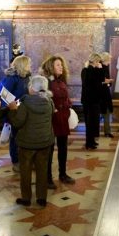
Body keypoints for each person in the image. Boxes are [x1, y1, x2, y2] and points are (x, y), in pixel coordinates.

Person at [8, 75, 55, 207]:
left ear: (33, 88)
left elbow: (17, 122)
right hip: (44, 141)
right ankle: (41, 198)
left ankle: (26, 198)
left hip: (27, 143)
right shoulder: (49, 101)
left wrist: (12, 110)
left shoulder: (26, 103)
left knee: (26, 171)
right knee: (42, 170)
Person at [41, 55, 75, 186]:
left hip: (62, 117)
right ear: (51, 67)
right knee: (49, 149)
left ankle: (63, 174)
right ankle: (47, 178)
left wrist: (68, 104)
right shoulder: (46, 82)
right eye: (58, 65)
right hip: (52, 118)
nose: (61, 67)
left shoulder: (61, 80)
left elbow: (65, 97)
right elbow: (44, 99)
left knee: (63, 147)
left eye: (61, 65)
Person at [0, 55, 32, 172]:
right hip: (15, 112)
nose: (30, 66)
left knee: (25, 136)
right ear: (22, 65)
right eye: (28, 64)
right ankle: (16, 161)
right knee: (15, 137)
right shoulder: (12, 78)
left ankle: (25, 159)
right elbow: (4, 94)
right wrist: (14, 105)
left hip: (25, 110)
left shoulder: (27, 77)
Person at [81, 53, 103, 150]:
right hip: (89, 101)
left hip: (94, 100)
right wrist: (99, 69)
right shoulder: (86, 70)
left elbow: (100, 81)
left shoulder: (92, 70)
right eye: (98, 61)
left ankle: (92, 141)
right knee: (90, 123)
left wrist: (99, 69)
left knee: (93, 122)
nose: (99, 63)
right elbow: (88, 83)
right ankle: (88, 143)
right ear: (94, 61)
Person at [99, 52, 114, 137]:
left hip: (106, 93)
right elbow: (99, 81)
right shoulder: (99, 67)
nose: (110, 61)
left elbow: (108, 82)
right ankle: (95, 132)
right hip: (100, 94)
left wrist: (108, 83)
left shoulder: (106, 67)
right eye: (109, 60)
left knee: (107, 112)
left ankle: (107, 132)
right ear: (105, 59)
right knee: (101, 113)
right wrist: (106, 82)